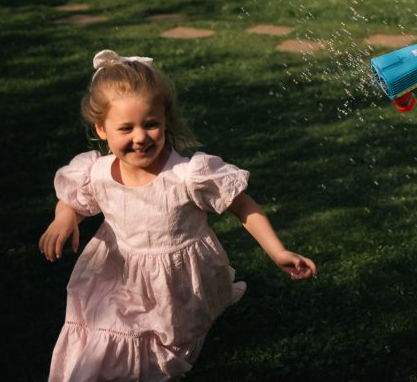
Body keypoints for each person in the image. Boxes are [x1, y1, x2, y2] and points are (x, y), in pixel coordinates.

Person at [39, 50, 317, 380]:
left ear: (165, 120)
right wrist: (65, 218)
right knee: (100, 345)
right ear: (101, 129)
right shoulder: (95, 173)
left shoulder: (187, 175)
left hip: (175, 288)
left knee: (153, 362)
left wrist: (277, 251)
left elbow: (242, 205)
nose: (140, 137)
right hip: (115, 276)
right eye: (126, 128)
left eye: (151, 124)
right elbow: (73, 201)